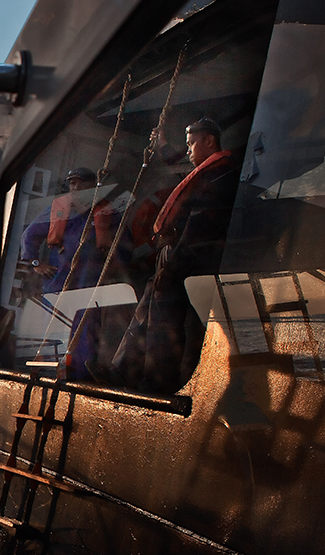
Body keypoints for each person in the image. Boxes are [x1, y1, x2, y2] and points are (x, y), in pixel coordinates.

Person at [103, 117, 240, 392]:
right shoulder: (207, 171)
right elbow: (180, 163)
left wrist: (175, 263)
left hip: (184, 253)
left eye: (191, 144)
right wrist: (163, 145)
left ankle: (157, 383)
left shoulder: (219, 174)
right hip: (174, 252)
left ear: (209, 141)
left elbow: (200, 222)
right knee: (146, 313)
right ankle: (122, 371)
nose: (188, 151)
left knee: (164, 322)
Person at [19, 167, 123, 378]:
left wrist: (115, 270)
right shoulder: (58, 209)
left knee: (86, 330)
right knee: (54, 328)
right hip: (59, 282)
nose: (75, 187)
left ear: (92, 185)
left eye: (80, 183)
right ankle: (46, 373)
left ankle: (79, 375)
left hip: (89, 283)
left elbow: (123, 242)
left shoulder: (107, 212)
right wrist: (36, 263)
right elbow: (29, 235)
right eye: (72, 183)